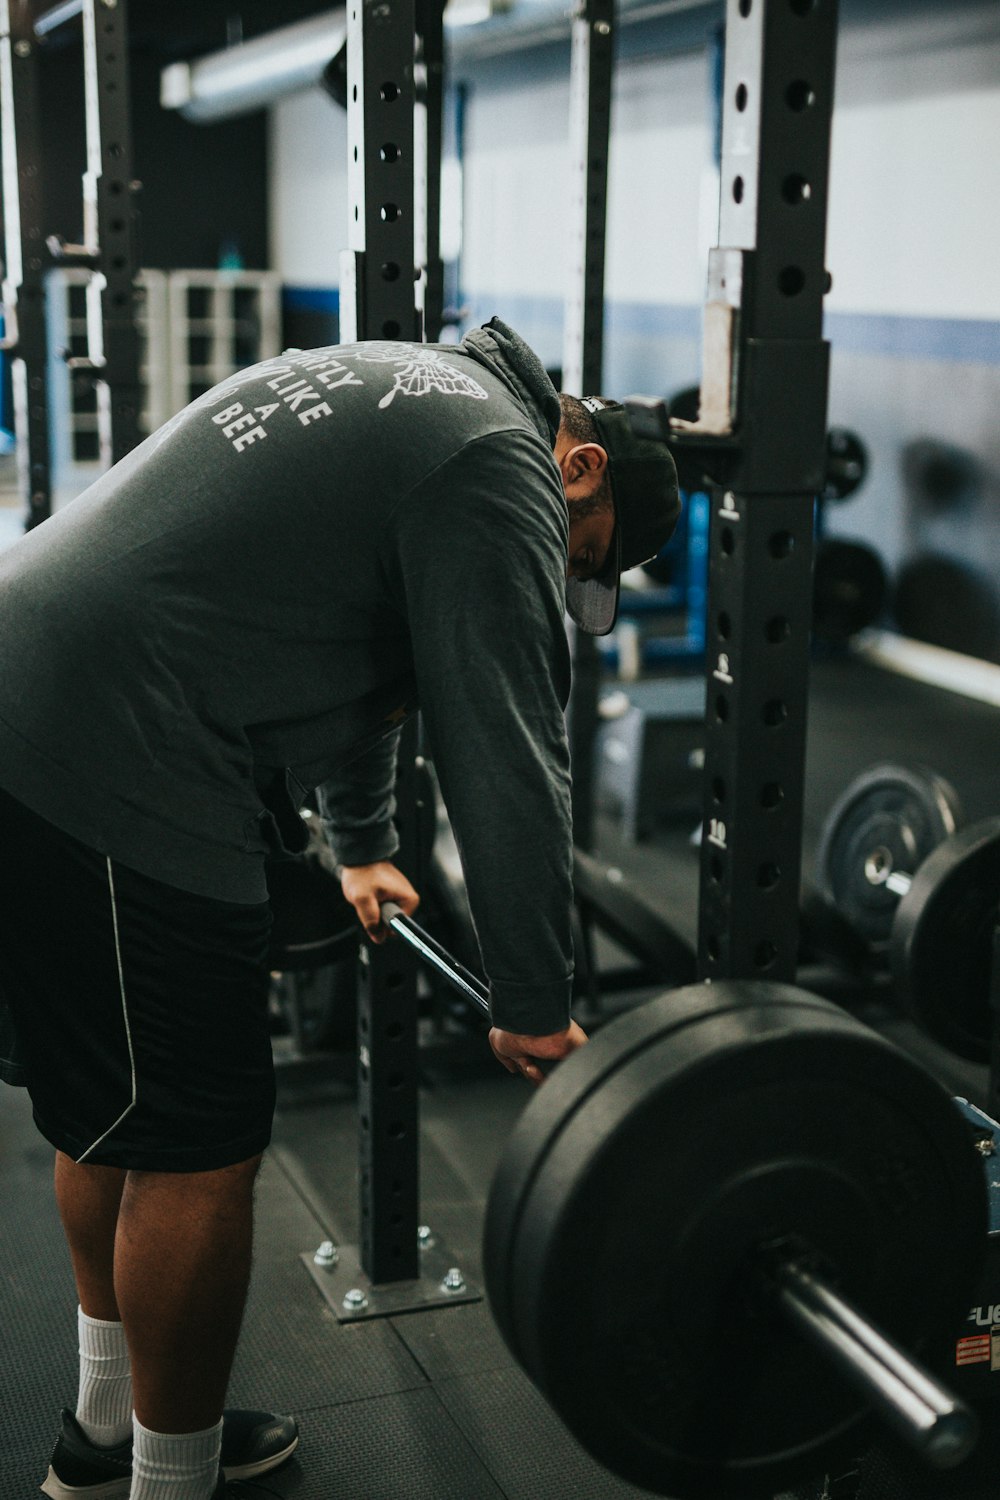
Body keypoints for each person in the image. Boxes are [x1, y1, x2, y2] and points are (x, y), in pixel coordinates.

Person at [0, 316, 680, 1500]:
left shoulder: (417, 392)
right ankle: (176, 1483)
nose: (563, 577)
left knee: (111, 1110)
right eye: (585, 559)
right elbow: (505, 746)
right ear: (579, 470)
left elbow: (384, 662)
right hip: (122, 746)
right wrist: (532, 997)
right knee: (198, 1145)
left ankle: (114, 1429)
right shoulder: (499, 467)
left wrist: (362, 849)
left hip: (34, 691)